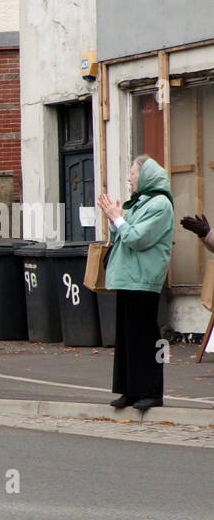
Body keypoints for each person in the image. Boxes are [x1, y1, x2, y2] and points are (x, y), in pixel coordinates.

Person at [97, 154, 174, 412]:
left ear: (145, 175)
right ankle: (129, 390)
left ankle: (151, 391)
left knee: (145, 337)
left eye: (133, 173)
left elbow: (137, 238)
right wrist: (113, 217)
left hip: (144, 279)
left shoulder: (160, 205)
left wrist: (118, 218)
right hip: (129, 278)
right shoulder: (143, 203)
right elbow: (122, 233)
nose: (129, 178)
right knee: (127, 337)